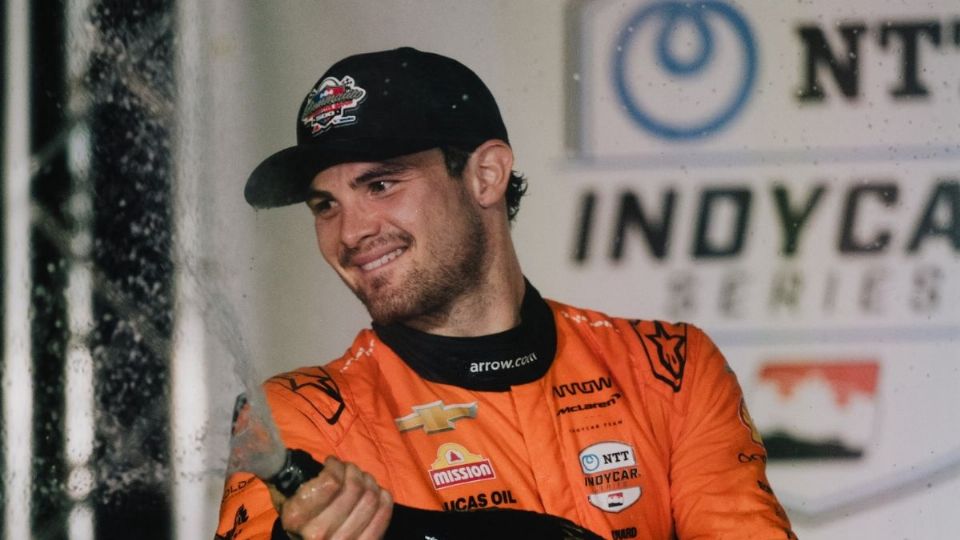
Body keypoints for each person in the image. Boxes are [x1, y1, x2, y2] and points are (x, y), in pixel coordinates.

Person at [216, 47, 796, 540]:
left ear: (486, 175)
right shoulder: (298, 417)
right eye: (325, 206)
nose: (349, 233)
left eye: (381, 184)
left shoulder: (668, 369)